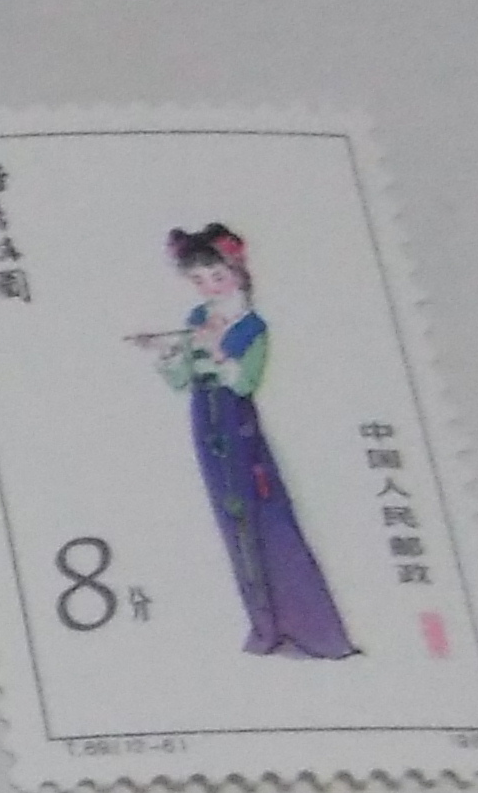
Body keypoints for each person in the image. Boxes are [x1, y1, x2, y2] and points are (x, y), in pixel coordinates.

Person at [151, 224, 358, 659]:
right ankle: (262, 625)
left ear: (237, 273)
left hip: (237, 423)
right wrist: (168, 355)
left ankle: (306, 628)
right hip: (205, 421)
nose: (209, 287)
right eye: (199, 279)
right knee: (228, 519)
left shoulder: (252, 327)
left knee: (261, 514)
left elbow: (245, 383)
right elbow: (181, 380)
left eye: (217, 276)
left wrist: (220, 352)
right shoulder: (196, 320)